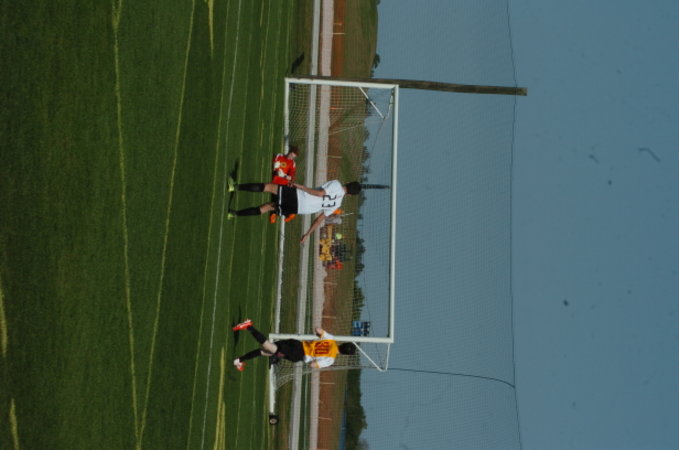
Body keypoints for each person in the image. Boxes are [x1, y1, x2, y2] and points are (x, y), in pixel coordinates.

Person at [226, 178, 361, 243]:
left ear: (348, 182)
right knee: (269, 206)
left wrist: (301, 187)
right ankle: (234, 214)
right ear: (350, 195)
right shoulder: (337, 204)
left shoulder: (336, 184)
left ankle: (235, 187)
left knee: (269, 187)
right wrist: (307, 234)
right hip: (300, 209)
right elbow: (320, 219)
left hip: (300, 197)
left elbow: (320, 194)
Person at [231, 319, 356, 371]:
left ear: (343, 344)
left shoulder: (331, 339)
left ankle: (239, 361)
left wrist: (318, 338)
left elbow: (318, 330)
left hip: (297, 344)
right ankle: (249, 326)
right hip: (297, 354)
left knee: (266, 352)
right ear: (345, 354)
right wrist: (312, 360)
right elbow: (313, 365)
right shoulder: (330, 360)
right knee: (268, 347)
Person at [270, 146, 298, 223]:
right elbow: (274, 164)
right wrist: (275, 168)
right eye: (291, 155)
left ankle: (288, 214)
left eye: (293, 157)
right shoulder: (280, 156)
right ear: (289, 151)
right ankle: (276, 214)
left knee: (283, 199)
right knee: (276, 198)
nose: (291, 157)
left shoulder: (292, 164)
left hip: (284, 183)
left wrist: (284, 175)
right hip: (276, 181)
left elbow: (291, 177)